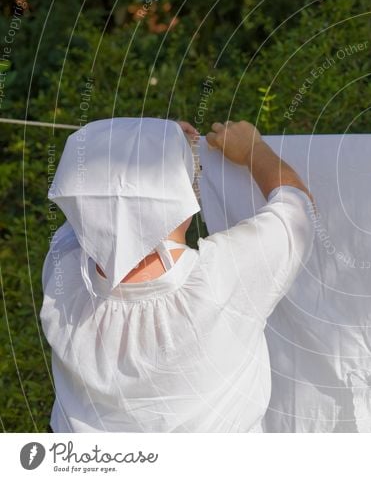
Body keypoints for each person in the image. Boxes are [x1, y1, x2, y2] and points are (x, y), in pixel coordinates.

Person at [40, 117, 314, 432]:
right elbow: (297, 210)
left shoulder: (65, 275)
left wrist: (156, 141)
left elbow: (91, 211)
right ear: (181, 193)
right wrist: (253, 149)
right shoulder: (222, 276)